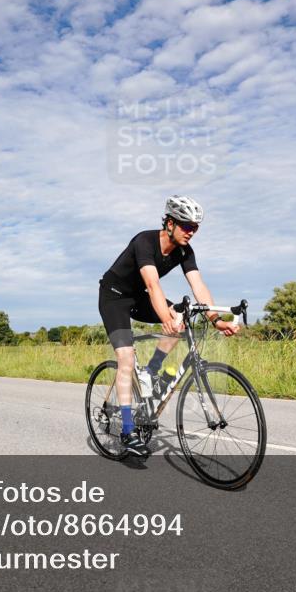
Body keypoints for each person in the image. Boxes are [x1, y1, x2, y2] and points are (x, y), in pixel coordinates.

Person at [98, 196, 239, 457]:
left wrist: (216, 320)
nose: (191, 232)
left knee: (181, 317)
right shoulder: (145, 241)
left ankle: (151, 371)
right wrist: (165, 318)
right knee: (126, 358)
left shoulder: (185, 251)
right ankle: (128, 431)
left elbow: (198, 286)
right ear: (170, 223)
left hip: (138, 297)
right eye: (186, 225)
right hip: (114, 297)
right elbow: (153, 285)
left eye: (195, 227)